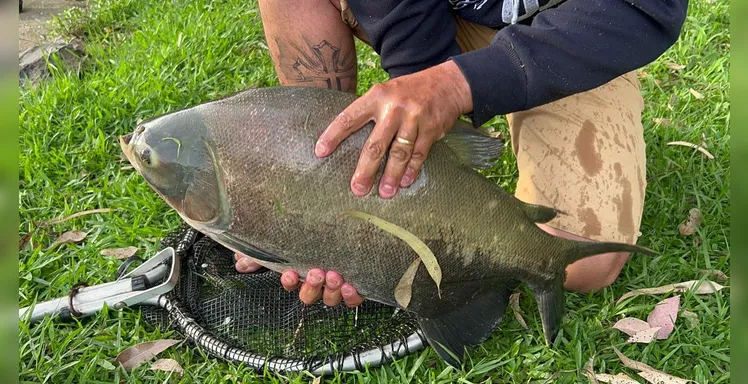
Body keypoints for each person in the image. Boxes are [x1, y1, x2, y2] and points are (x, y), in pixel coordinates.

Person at [234, 0, 688, 308]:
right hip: (446, 13)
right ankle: (317, 169)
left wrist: (460, 84)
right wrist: (422, 78)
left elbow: (642, 7)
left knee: (581, 262)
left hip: (569, 34)